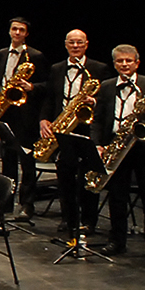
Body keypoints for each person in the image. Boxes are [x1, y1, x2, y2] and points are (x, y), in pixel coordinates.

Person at [93, 45, 145, 260]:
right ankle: (116, 241)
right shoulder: (107, 86)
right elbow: (98, 119)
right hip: (118, 147)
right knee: (117, 197)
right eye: (120, 61)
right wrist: (98, 144)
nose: (124, 64)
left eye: (129, 61)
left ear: (137, 63)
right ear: (115, 64)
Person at [39, 29, 109, 236]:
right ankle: (68, 218)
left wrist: (93, 102)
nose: (76, 46)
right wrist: (44, 119)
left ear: (86, 44)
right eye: (72, 43)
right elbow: (50, 97)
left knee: (88, 176)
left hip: (89, 129)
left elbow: (107, 99)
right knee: (65, 177)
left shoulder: (99, 68)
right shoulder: (57, 68)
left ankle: (88, 220)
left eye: (79, 42)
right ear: (66, 44)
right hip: (63, 129)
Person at [0, 17, 48, 219]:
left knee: (27, 160)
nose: (17, 33)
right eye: (14, 29)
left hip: (25, 115)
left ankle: (27, 204)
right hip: (6, 112)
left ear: (26, 34)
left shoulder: (36, 55)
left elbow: (47, 85)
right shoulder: (2, 53)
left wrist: (32, 87)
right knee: (7, 159)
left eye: (21, 30)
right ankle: (5, 202)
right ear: (9, 31)